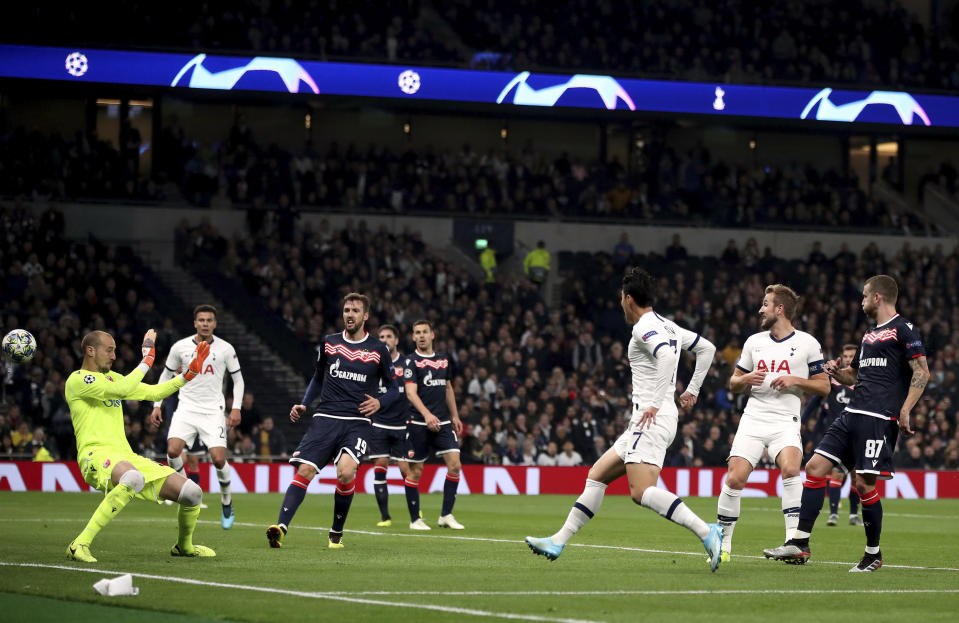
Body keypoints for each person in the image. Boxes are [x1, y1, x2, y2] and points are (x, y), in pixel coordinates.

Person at [525, 267, 724, 571]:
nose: (620, 303)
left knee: (640, 492)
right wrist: (692, 389)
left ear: (629, 299)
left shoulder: (642, 327)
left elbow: (668, 358)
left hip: (652, 419)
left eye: (621, 298)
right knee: (597, 474)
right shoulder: (668, 325)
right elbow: (707, 348)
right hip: (648, 420)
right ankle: (558, 541)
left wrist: (656, 403)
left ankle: (707, 531)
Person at [764, 275, 929, 572]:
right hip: (852, 412)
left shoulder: (903, 329)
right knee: (814, 468)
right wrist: (835, 372)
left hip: (879, 418)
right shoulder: (868, 335)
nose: (861, 300)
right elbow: (854, 376)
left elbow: (922, 372)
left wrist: (906, 410)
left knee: (864, 484)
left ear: (877, 297)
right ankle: (800, 543)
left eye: (865, 295)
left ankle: (873, 553)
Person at [65, 329, 212, 562]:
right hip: (95, 455)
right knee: (132, 478)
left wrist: (187, 376)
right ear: (91, 350)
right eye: (109, 350)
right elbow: (122, 391)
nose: (114, 356)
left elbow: (153, 392)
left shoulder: (114, 378)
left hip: (125, 455)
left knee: (193, 493)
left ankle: (184, 546)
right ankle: (79, 544)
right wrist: (147, 361)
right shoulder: (78, 380)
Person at [267, 293, 399, 549]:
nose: (350, 314)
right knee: (304, 470)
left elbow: (395, 389)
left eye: (355, 310)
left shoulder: (378, 349)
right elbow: (318, 378)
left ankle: (336, 531)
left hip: (357, 422)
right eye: (347, 310)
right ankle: (280, 527)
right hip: (325, 417)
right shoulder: (329, 344)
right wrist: (305, 403)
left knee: (346, 473)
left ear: (366, 316)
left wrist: (380, 402)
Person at [716, 284, 829, 561]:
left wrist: (795, 380)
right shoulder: (754, 342)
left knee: (791, 470)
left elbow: (824, 386)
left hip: (785, 420)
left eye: (765, 304)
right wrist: (744, 380)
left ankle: (794, 542)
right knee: (735, 478)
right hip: (753, 418)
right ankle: (722, 543)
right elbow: (733, 383)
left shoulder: (808, 343)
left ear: (780, 309)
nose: (760, 309)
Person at [150, 304, 244, 529]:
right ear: (195, 323)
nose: (205, 324)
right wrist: (157, 404)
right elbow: (165, 374)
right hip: (186, 408)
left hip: (213, 411)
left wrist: (236, 407)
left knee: (219, 459)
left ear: (215, 323)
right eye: (201, 320)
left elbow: (238, 380)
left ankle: (226, 501)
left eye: (209, 320)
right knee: (172, 451)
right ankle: (186, 491)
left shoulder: (225, 349)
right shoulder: (180, 347)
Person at [403, 319, 465, 530]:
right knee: (416, 470)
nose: (421, 335)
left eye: (424, 332)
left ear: (432, 335)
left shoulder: (443, 360)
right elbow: (410, 393)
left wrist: (455, 415)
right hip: (418, 422)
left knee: (455, 465)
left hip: (444, 421)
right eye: (417, 332)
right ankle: (415, 520)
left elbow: (448, 389)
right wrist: (427, 415)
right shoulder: (411, 362)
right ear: (413, 337)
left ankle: (446, 515)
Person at [800, 343, 863, 527]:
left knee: (856, 477)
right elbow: (814, 402)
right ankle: (834, 514)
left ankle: (853, 515)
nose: (849, 359)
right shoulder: (832, 381)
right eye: (846, 356)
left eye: (853, 356)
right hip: (838, 434)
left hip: (858, 434)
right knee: (836, 474)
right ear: (842, 358)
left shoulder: (862, 381)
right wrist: (802, 420)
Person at [369, 323, 409, 527]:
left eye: (388, 337)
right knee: (380, 466)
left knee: (405, 470)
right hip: (380, 424)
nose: (385, 340)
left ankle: (415, 510)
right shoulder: (374, 364)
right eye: (381, 337)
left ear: (396, 340)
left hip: (402, 425)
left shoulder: (407, 364)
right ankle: (385, 517)